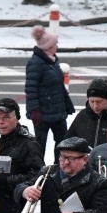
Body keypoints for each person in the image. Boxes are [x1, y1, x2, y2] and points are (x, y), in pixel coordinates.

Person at [24, 25, 74, 160]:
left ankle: (60, 167)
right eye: (55, 44)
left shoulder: (52, 60)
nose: (57, 46)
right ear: (48, 46)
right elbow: (31, 89)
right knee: (40, 144)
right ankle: (38, 167)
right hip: (43, 113)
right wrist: (35, 110)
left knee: (62, 143)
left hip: (57, 112)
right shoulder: (36, 63)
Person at [64, 77, 107, 148]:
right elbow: (66, 142)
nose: (95, 106)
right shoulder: (83, 116)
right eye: (92, 101)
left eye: (99, 102)